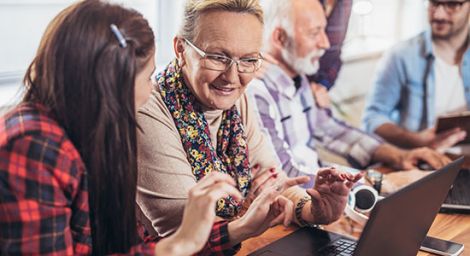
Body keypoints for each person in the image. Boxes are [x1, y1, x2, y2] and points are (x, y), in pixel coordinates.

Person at [0, 1, 289, 255]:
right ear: (110, 82)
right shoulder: (34, 146)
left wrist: (213, 233)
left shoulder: (89, 136)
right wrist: (180, 244)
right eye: (148, 77)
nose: (152, 90)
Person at [136, 0, 362, 246]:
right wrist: (245, 219)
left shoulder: (236, 103)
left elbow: (273, 182)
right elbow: (185, 233)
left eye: (248, 60)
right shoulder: (148, 110)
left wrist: (314, 209)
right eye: (217, 57)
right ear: (180, 48)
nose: (232, 77)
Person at [247, 0, 451, 187]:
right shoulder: (257, 93)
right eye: (314, 33)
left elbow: (331, 130)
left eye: (324, 31)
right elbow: (286, 177)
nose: (325, 44)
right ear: (280, 38)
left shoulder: (301, 80)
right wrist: (376, 183)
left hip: (318, 194)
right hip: (294, 207)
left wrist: (400, 156)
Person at [362, 0, 470, 150]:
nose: (438, 14)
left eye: (451, 5)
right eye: (433, 3)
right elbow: (372, 118)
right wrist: (415, 140)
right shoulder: (401, 55)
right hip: (421, 164)